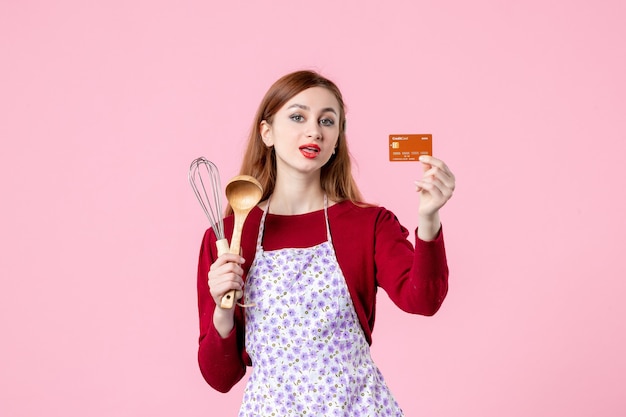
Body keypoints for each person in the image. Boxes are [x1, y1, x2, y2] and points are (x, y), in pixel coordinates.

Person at [196, 70, 455, 416]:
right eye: (298, 116)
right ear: (267, 132)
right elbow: (221, 377)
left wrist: (429, 218)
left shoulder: (370, 224)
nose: (314, 130)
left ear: (336, 140)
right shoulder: (228, 238)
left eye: (328, 121)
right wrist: (223, 310)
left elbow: (423, 300)